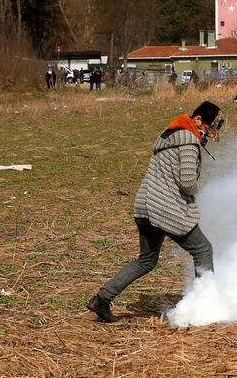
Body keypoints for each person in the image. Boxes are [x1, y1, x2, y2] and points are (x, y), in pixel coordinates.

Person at [87, 101, 222, 323]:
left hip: (145, 206)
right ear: (197, 120)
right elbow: (187, 182)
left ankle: (102, 299)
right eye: (209, 128)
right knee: (203, 250)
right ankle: (204, 305)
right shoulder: (188, 142)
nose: (208, 134)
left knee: (146, 260)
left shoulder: (168, 137)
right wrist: (197, 189)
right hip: (166, 209)